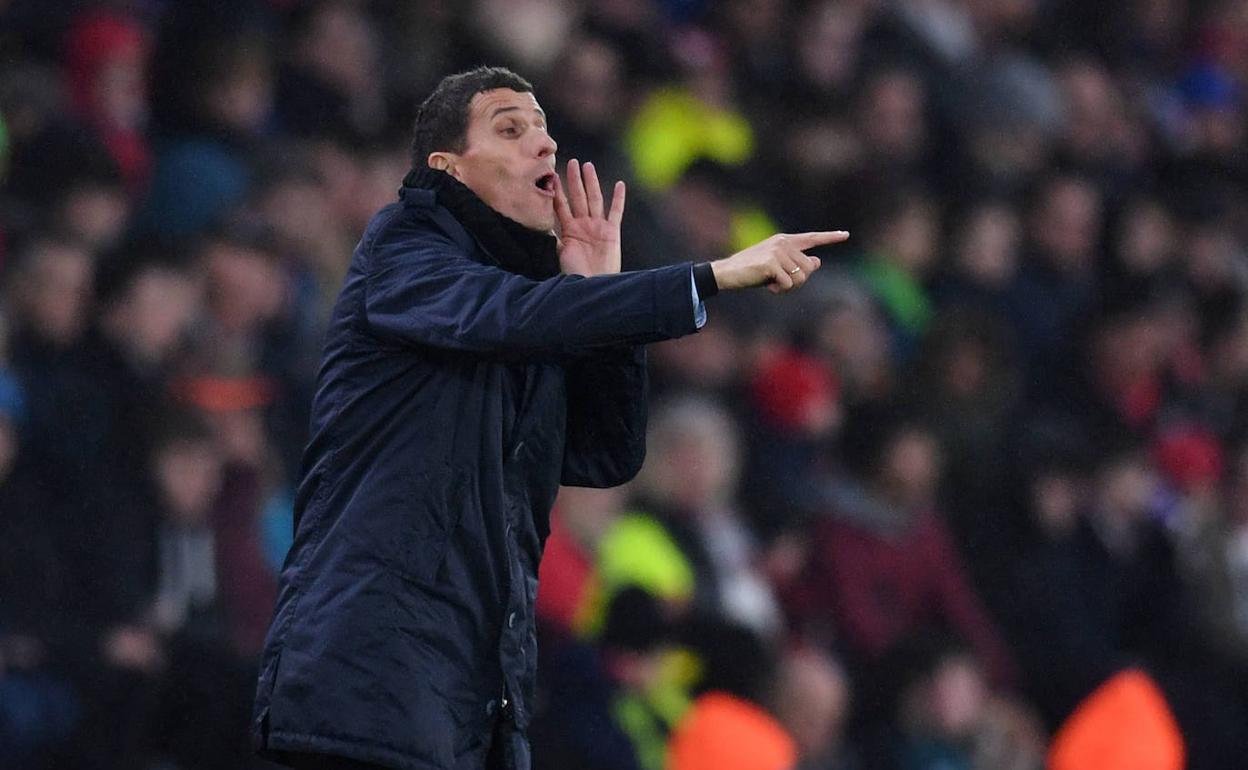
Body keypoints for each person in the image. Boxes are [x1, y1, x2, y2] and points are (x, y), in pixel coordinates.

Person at [251, 65, 847, 770]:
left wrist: (598, 297)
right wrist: (708, 277)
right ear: (447, 164)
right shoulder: (405, 251)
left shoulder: (532, 301)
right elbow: (511, 317)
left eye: (543, 129)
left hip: (468, 697)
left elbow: (602, 455)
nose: (543, 145)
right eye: (510, 129)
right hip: (367, 689)